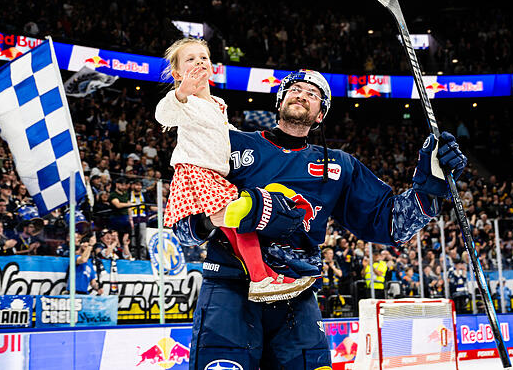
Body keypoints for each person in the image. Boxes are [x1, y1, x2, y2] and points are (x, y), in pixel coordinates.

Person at [172, 69, 466, 369]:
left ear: (320, 115)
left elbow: (390, 223)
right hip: (229, 287)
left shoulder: (339, 165)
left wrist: (429, 187)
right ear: (280, 100)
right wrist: (212, 220)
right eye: (295, 89)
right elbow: (183, 224)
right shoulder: (229, 142)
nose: (302, 94)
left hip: (296, 293)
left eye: (312, 94)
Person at [156, 38, 315, 301]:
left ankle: (262, 276)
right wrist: (180, 93)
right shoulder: (183, 103)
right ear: (177, 73)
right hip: (198, 173)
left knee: (237, 226)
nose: (199, 62)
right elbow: (163, 115)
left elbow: (225, 135)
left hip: (213, 174)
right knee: (242, 219)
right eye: (190, 59)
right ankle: (262, 278)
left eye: (203, 57)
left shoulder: (217, 103)